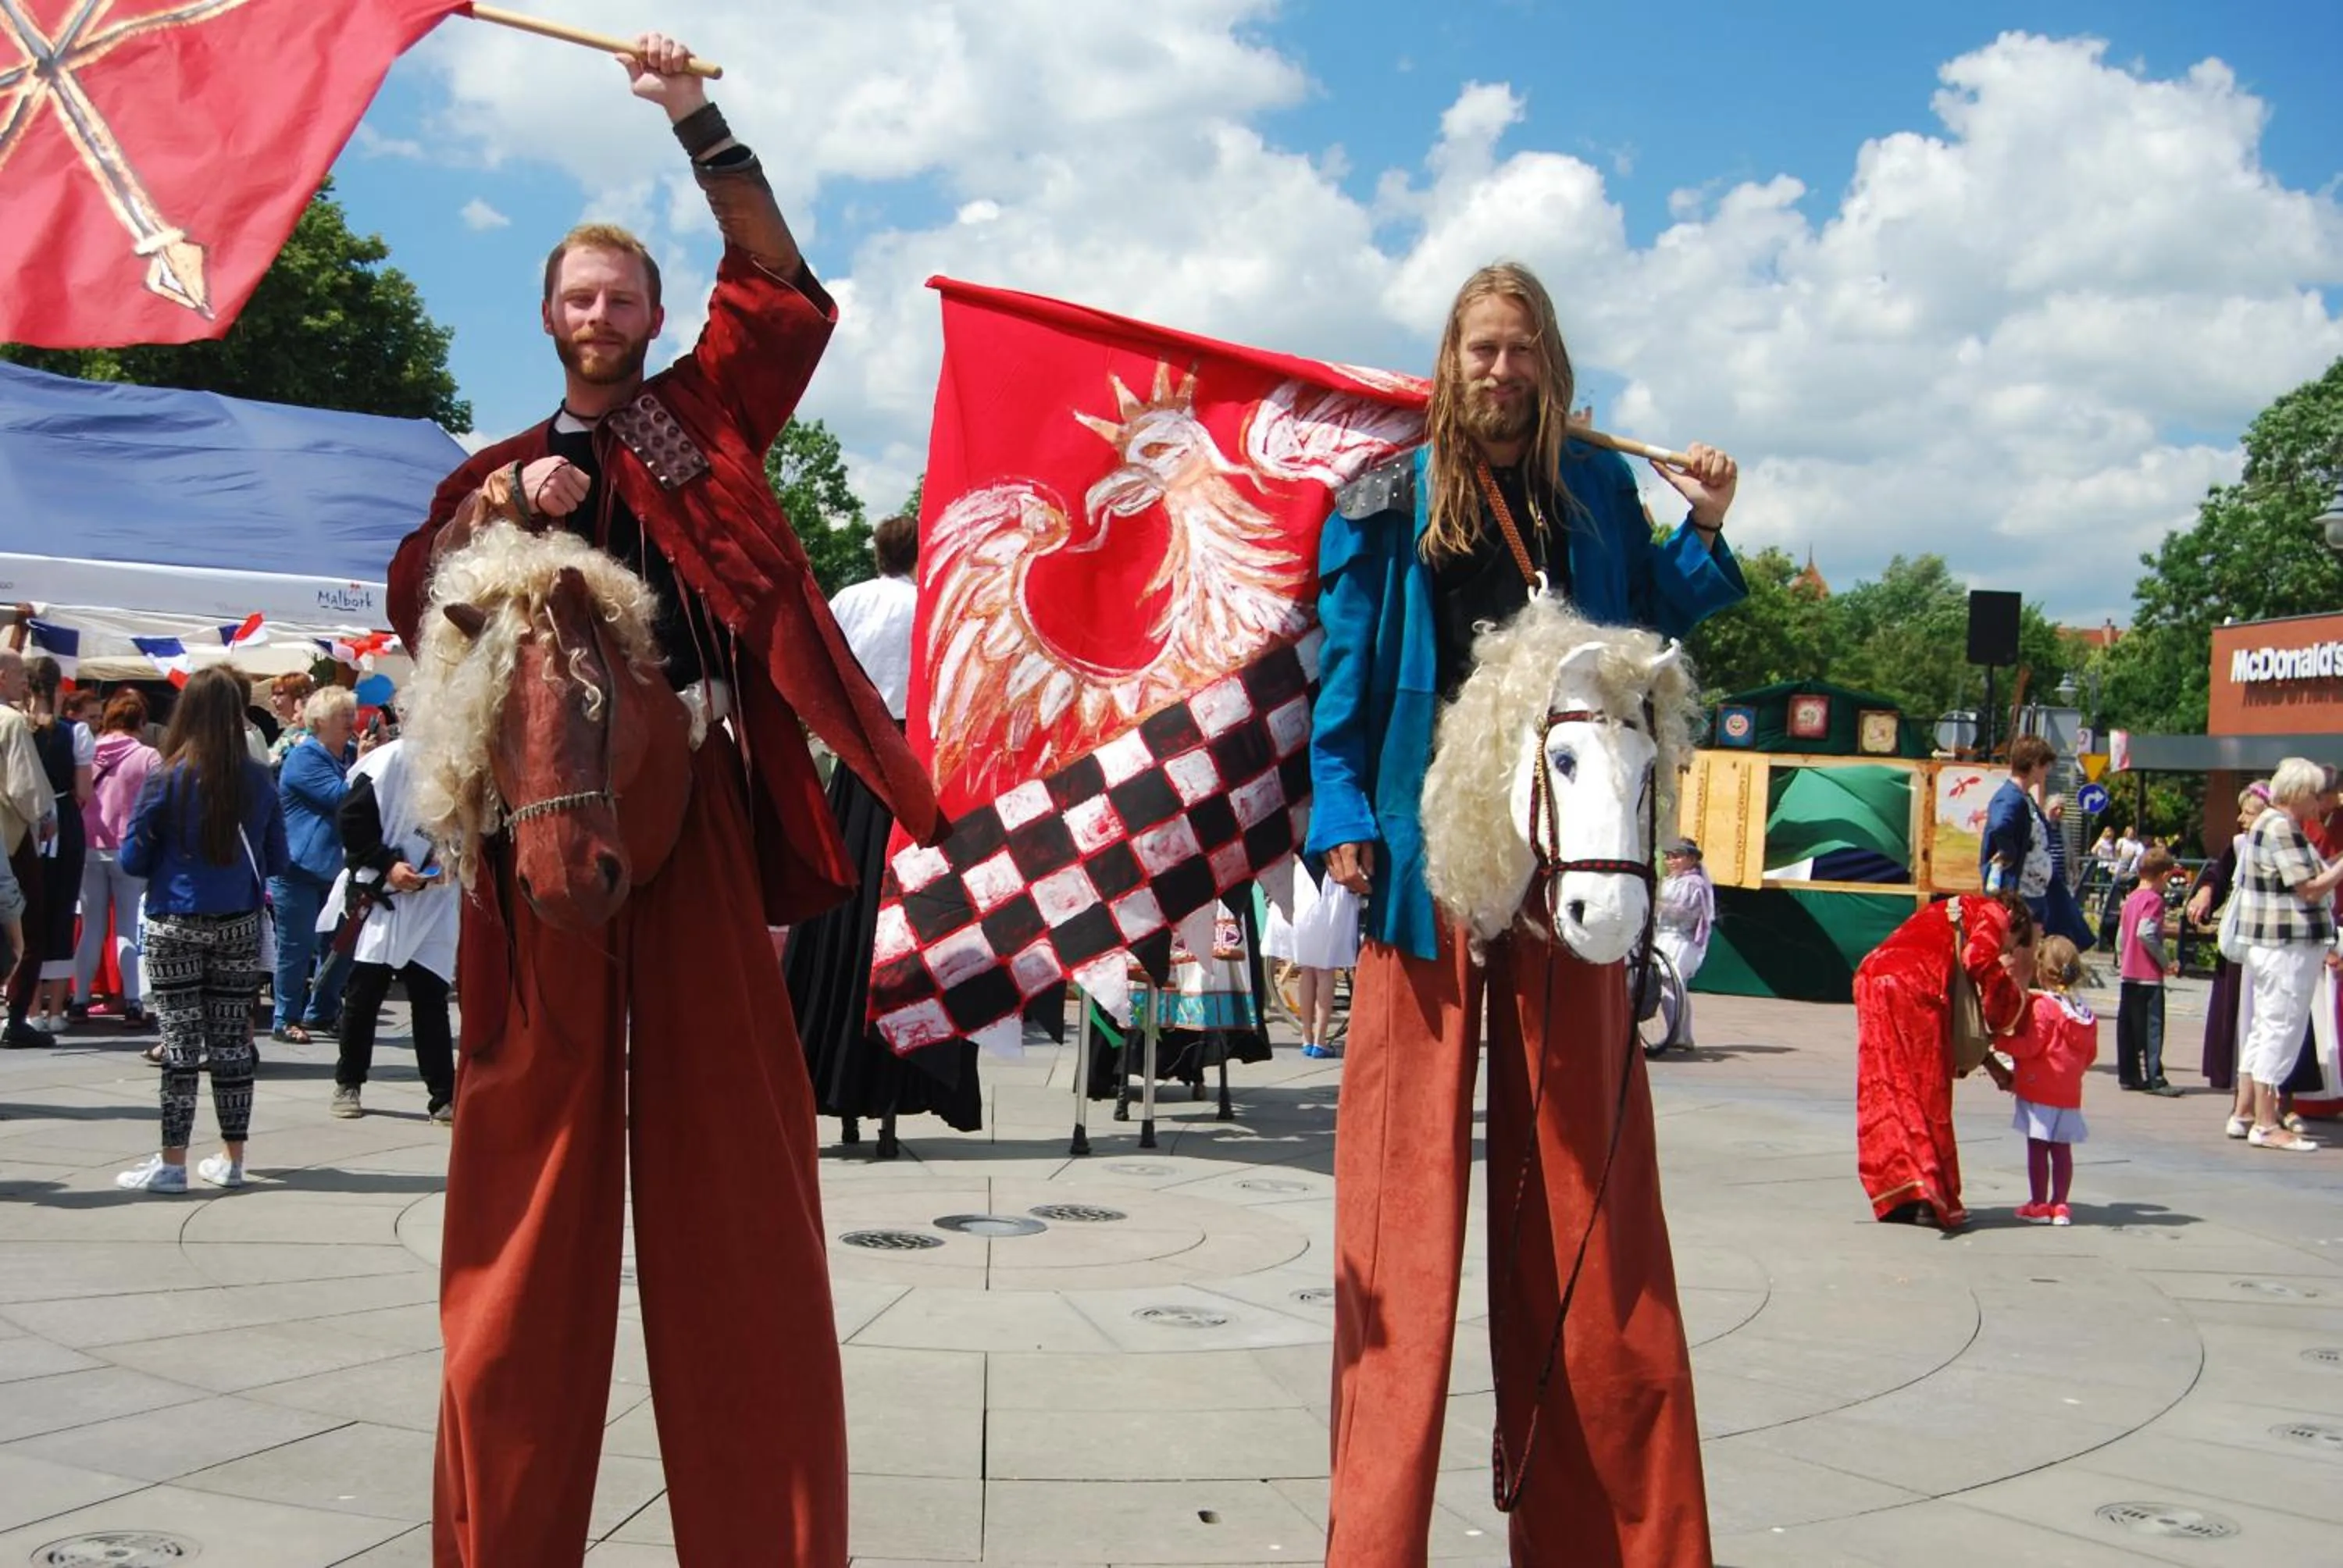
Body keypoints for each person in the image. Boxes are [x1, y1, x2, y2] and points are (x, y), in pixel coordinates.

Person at [384, 35, 941, 1567]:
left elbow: (787, 298)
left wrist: (698, 120)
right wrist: (500, 510)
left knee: (740, 1199)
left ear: (649, 315)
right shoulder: (500, 467)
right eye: (581, 297)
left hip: (691, 827)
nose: (602, 316)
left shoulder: (696, 420)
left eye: (624, 297)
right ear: (548, 316)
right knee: (523, 1208)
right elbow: (411, 589)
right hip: (536, 849)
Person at [1307, 261, 1744, 1567]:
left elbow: (1651, 623)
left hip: (1571, 872)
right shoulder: (1388, 493)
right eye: (1481, 348)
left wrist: (1707, 525)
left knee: (1589, 1212)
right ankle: (1373, 1544)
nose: (1501, 370)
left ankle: (1611, 1541)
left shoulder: (1600, 487)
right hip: (1428, 858)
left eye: (1521, 349)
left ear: (1551, 361)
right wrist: (1342, 809)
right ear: (1450, 360)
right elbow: (1346, 669)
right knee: (1399, 1217)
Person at [783, 512, 980, 1156]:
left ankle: (827, 1071)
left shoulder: (850, 600)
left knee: (839, 924)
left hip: (855, 770)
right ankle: (901, 1082)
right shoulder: (931, 609)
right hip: (914, 771)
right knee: (908, 926)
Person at [112, 665, 287, 1193]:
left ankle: (172, 1164)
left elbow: (132, 858)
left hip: (174, 918)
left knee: (179, 1045)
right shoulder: (258, 778)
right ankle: (233, 1160)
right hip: (238, 920)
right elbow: (279, 858)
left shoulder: (166, 776)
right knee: (232, 1043)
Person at [1854, 891, 2036, 1230]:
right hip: (1914, 986)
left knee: (1886, 1091)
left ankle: (1898, 1195)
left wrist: (1991, 1063)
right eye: (2010, 947)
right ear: (2016, 922)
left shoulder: (1946, 910)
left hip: (1873, 977)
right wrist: (2008, 1005)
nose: (2006, 953)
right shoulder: (1995, 912)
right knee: (1926, 1094)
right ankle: (1931, 1196)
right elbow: (1978, 958)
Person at [326, 732, 458, 1124]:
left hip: (435, 901)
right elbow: (352, 820)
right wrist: (386, 863)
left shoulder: (466, 761)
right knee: (364, 995)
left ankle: (444, 1096)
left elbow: (476, 826)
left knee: (431, 998)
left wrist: (453, 860)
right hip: (385, 897)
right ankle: (348, 1081)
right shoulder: (389, 762)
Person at [2231, 757, 2343, 1151]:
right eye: (2314, 794)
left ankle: (2245, 1113)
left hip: (2274, 944)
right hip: (2286, 945)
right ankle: (2266, 1123)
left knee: (2265, 1027)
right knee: (2280, 1029)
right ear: (2299, 794)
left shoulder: (2269, 824)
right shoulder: (2281, 827)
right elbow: (2309, 888)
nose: (2319, 802)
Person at [271, 685, 356, 1042]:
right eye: (342, 715)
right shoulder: (305, 757)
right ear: (319, 721)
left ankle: (321, 1011)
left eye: (352, 713)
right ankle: (285, 1018)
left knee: (340, 945)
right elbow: (342, 797)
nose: (351, 721)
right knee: (297, 946)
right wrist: (369, 763)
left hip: (339, 869)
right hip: (298, 868)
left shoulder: (351, 754)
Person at [74, 690, 162, 1028]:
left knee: (92, 927)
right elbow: (157, 802)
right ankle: (133, 1003)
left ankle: (80, 1001)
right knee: (126, 928)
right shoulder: (147, 756)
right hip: (129, 847)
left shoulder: (89, 750)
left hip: (88, 844)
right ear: (140, 721)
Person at [14, 659, 91, 1034]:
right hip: (64, 821)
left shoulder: (17, 727)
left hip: (24, 825)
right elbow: (84, 790)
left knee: (26, 916)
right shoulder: (76, 732)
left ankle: (27, 1006)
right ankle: (56, 1010)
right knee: (62, 912)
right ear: (59, 689)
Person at [2000, 935, 2097, 1225]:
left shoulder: (2043, 1007)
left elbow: (2031, 1046)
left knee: (2038, 1147)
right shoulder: (2083, 1012)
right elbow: (2090, 1054)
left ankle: (2039, 1204)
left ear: (2041, 972)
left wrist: (2000, 1043)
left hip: (2039, 1087)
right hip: (2069, 1093)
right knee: (2062, 1149)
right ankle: (2061, 1205)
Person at [2188, 782, 2272, 1102]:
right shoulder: (2239, 845)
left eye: (2248, 813)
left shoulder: (2280, 847)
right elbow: (2218, 874)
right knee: (2236, 1006)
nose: (2240, 819)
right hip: (2241, 939)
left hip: (2269, 939)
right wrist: (2206, 892)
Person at [0, 650, 53, 1049]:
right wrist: (45, 813)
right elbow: (26, 787)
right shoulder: (11, 722)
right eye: (20, 673)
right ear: (2, 676)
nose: (25, 681)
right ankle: (16, 1016)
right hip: (10, 837)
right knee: (30, 926)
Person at [1265, 860, 1361, 1060]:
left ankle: (1307, 1037)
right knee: (1325, 969)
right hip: (1330, 884)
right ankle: (1320, 1040)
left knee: (1307, 968)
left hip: (1302, 881)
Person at [2116, 846, 2184, 1096]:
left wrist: (2122, 957)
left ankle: (2129, 1075)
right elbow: (2145, 933)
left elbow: (2121, 936)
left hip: (2129, 973)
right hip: (2148, 975)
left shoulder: (2131, 898)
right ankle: (2155, 1077)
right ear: (2164, 876)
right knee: (2151, 1029)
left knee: (2128, 1027)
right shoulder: (2154, 900)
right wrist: (2166, 962)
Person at [1981, 736, 2056, 921]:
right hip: (2019, 896)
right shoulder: (2010, 797)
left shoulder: (2024, 798)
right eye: (2045, 765)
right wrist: (2010, 852)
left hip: (2032, 893)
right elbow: (1999, 825)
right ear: (2034, 765)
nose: (2047, 771)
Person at [1654, 838, 1716, 1049]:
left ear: (1691, 859)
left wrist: (1655, 905)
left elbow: (1682, 912)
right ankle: (1683, 1034)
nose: (1671, 861)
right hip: (1667, 937)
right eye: (1668, 857)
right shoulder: (1673, 881)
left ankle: (1677, 1033)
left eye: (1677, 857)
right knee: (1676, 987)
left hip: (1679, 939)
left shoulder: (1692, 883)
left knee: (1668, 983)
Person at [264, 671, 314, 766]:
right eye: (273, 694)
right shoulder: (291, 730)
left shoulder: (311, 733)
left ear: (299, 697)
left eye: (280, 694)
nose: (273, 699)